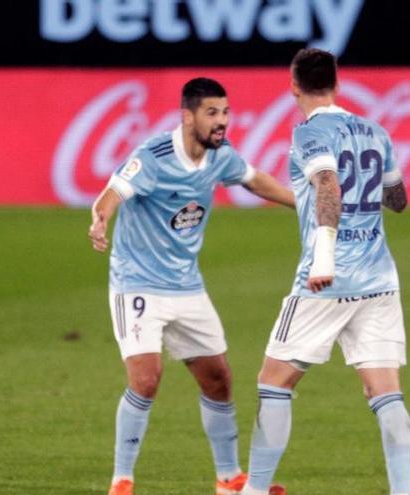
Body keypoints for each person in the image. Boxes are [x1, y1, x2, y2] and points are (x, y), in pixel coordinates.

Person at [88, 77, 294, 495]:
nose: (222, 122)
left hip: (186, 285)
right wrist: (100, 217)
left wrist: (303, 203)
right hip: (138, 284)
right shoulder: (153, 155)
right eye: (212, 113)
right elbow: (113, 191)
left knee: (218, 378)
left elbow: (254, 179)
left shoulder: (220, 157)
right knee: (146, 379)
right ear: (188, 117)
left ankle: (228, 478)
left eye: (225, 112)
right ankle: (121, 480)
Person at [239, 48, 410, 495]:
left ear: (294, 85)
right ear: (337, 83)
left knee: (273, 383)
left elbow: (328, 184)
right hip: (379, 282)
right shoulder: (375, 130)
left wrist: (324, 257)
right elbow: (398, 199)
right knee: (385, 393)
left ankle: (254, 491)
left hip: (326, 281)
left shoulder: (309, 133)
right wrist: (369, 191)